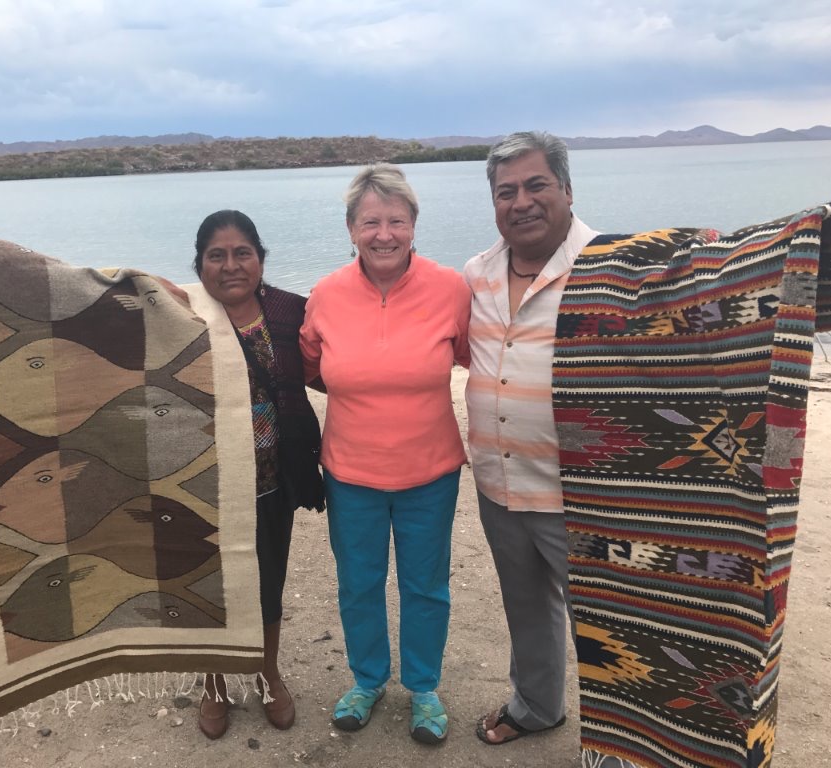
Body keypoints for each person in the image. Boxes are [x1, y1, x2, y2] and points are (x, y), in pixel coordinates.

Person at [299, 164, 471, 744]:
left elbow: (482, 356)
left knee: (426, 585)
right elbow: (305, 366)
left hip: (431, 471)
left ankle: (423, 688)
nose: (384, 233)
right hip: (350, 473)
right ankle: (368, 680)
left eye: (396, 220)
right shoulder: (325, 293)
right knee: (359, 583)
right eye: (370, 221)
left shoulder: (451, 288)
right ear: (351, 228)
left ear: (414, 224)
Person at [463, 131, 598, 745]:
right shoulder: (476, 275)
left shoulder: (610, 268)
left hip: (582, 490)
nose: (521, 201)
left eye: (536, 185)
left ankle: (623, 737)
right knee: (526, 608)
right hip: (498, 481)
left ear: (567, 189)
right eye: (505, 191)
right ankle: (538, 706)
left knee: (604, 623)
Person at [189, 209, 325, 740]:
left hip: (272, 480)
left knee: (268, 584)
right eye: (216, 255)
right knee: (208, 589)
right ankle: (214, 684)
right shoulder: (181, 316)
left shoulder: (291, 312)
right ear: (198, 265)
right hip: (201, 486)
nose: (230, 265)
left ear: (261, 259)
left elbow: (334, 366)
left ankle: (268, 675)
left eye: (242, 252)